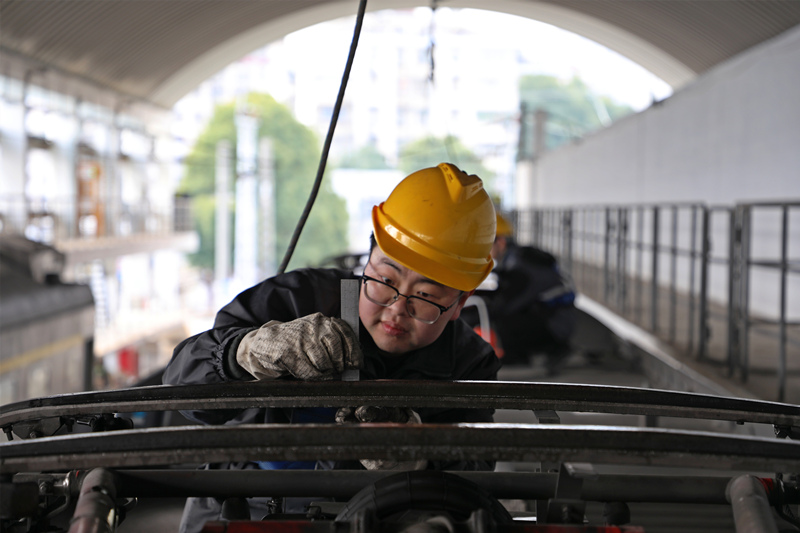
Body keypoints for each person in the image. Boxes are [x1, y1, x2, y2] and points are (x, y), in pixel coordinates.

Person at [162, 162, 501, 531]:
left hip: (376, 515)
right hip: (240, 501)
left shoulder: (468, 365)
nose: (397, 309)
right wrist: (243, 351)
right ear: (367, 263)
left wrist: (416, 459)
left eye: (425, 296)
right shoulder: (295, 299)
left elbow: (475, 471)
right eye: (385, 279)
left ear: (459, 305)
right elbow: (183, 389)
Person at [469, 212, 577, 369]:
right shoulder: (517, 258)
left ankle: (522, 357)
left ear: (501, 242)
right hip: (550, 316)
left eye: (485, 245)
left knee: (500, 320)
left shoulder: (521, 268)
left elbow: (505, 303)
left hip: (555, 326)